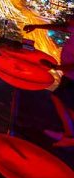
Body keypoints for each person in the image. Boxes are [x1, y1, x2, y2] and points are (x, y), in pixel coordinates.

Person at [25, 17, 74, 147]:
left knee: (58, 98)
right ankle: (70, 133)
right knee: (68, 104)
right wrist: (36, 26)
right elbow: (60, 27)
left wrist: (55, 67)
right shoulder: (73, 29)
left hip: (72, 76)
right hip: (68, 75)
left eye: (72, 18)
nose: (69, 20)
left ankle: (70, 135)